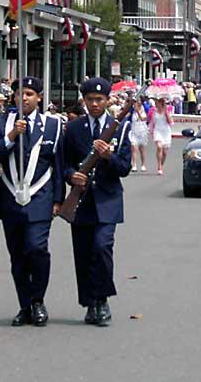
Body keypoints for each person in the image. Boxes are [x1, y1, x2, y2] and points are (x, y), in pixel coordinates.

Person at [0, 77, 64, 327]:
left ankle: (38, 299)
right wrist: (11, 136)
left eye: (30, 93)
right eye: (20, 93)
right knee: (17, 256)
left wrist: (58, 199)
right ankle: (25, 305)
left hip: (40, 197)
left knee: (37, 249)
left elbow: (57, 165)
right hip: (11, 197)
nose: (25, 98)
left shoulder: (52, 126)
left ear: (39, 97)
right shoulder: (2, 123)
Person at [63, 77, 131, 327]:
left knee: (102, 248)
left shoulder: (120, 129)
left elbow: (124, 167)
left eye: (99, 99)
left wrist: (108, 156)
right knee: (83, 253)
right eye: (90, 99)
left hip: (107, 199)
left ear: (107, 100)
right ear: (84, 101)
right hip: (80, 202)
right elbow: (64, 164)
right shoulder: (73, 128)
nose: (94, 104)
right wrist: (72, 175)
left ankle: (102, 300)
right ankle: (89, 302)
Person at [148, 95, 173, 175]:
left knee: (165, 152)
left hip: (166, 131)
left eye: (157, 102)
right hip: (157, 131)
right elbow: (151, 122)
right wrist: (151, 131)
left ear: (161, 103)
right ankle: (159, 166)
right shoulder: (153, 111)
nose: (155, 104)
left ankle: (161, 164)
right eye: (155, 102)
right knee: (159, 147)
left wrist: (166, 113)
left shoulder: (167, 111)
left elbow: (171, 122)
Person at [128, 94, 149, 172]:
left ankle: (143, 164)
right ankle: (134, 165)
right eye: (136, 101)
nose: (138, 102)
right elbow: (129, 119)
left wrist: (138, 112)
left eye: (139, 101)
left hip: (143, 130)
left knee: (142, 149)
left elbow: (145, 119)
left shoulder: (146, 108)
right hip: (134, 130)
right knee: (134, 147)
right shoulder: (132, 109)